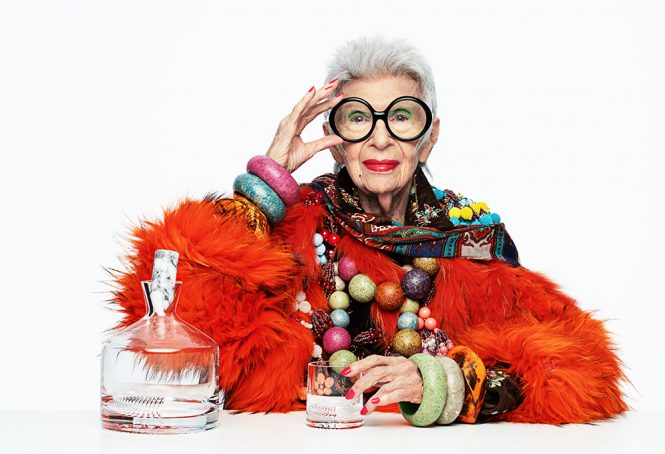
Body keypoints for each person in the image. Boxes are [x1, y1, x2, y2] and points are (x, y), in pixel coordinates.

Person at [108, 36, 628, 425]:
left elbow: (584, 370)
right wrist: (264, 188)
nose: (380, 139)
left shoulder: (471, 239)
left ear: (429, 136)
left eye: (401, 117)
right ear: (334, 137)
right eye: (358, 118)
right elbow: (175, 332)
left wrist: (445, 382)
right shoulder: (295, 225)